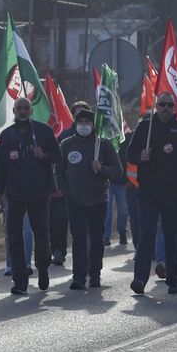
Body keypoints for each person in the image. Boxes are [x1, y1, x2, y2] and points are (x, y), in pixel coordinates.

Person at [0, 96, 59, 294]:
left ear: (31, 111)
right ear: (14, 111)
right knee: (14, 237)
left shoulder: (43, 131)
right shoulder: (7, 135)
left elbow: (58, 156)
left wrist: (43, 155)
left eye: (26, 108)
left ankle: (43, 268)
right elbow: (1, 167)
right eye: (19, 108)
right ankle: (20, 281)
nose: (22, 111)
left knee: (41, 235)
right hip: (15, 194)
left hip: (39, 193)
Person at [127, 91, 177, 295]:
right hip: (148, 191)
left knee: (172, 237)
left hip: (173, 192)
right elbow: (129, 154)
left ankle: (173, 280)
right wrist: (140, 156)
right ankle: (140, 278)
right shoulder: (144, 127)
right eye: (162, 104)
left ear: (174, 108)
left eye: (169, 105)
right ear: (156, 106)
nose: (165, 108)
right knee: (146, 235)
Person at [54, 103, 123, 290]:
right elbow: (58, 172)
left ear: (93, 125)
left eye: (88, 122)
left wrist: (102, 169)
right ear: (76, 124)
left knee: (96, 239)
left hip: (98, 200)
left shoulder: (103, 145)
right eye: (81, 122)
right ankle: (78, 276)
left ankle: (95, 274)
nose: (84, 125)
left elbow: (118, 171)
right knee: (79, 239)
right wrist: (66, 192)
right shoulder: (66, 144)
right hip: (75, 201)